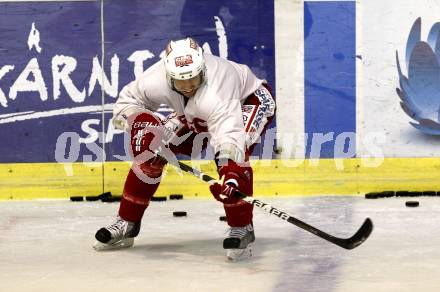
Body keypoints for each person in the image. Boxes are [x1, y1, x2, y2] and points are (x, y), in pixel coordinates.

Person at [93, 37, 275, 260]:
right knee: (151, 154)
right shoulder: (156, 79)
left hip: (249, 100)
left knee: (232, 160)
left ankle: (242, 226)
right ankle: (127, 221)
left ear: (203, 71)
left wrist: (232, 176)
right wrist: (140, 124)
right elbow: (127, 102)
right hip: (195, 112)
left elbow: (228, 138)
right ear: (169, 76)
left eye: (193, 78)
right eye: (181, 81)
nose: (188, 86)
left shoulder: (217, 91)